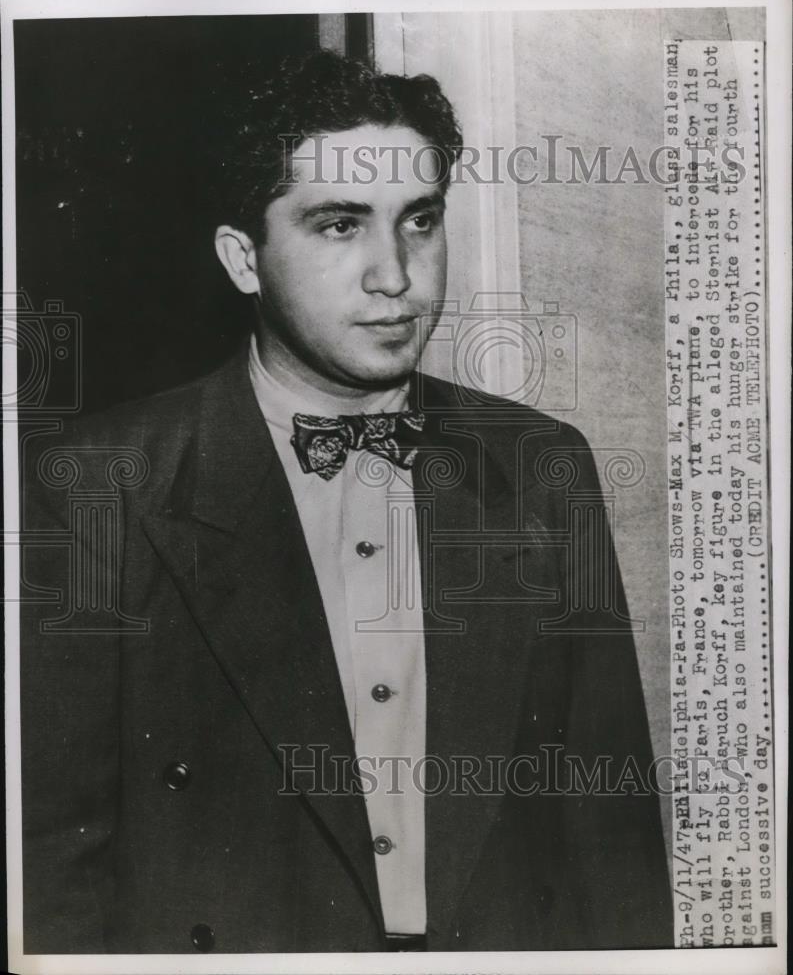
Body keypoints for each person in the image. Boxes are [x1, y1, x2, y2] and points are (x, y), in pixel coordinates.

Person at [20, 49, 672, 954]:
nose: (394, 276)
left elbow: (613, 845)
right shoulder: (100, 482)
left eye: (419, 221)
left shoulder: (541, 465)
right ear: (243, 259)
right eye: (338, 225)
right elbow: (51, 857)